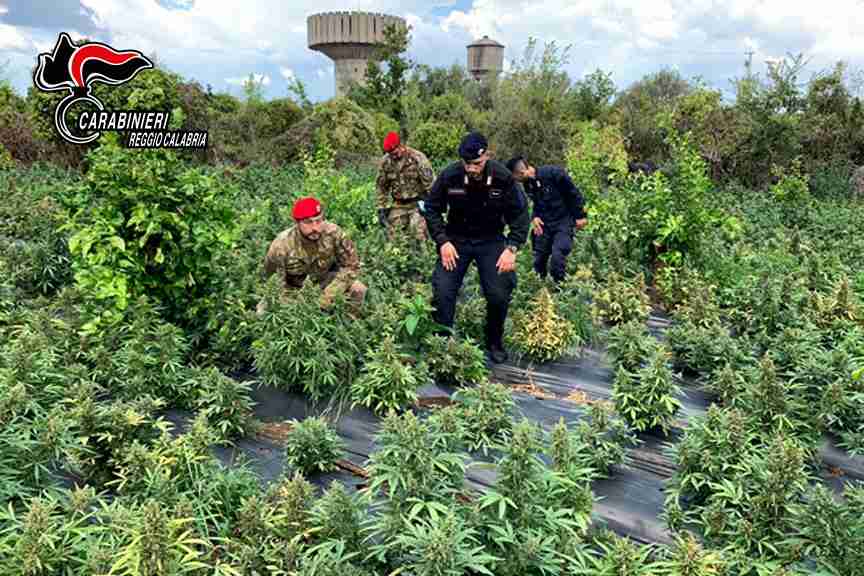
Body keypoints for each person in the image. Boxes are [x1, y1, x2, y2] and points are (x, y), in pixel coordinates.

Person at [424, 132, 530, 363]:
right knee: (443, 291)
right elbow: (431, 208)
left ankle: (494, 341)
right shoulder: (450, 175)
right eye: (467, 163)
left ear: (487, 156)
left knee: (499, 293)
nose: (471, 168)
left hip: (490, 240)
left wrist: (511, 247)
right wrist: (442, 241)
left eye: (477, 163)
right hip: (456, 240)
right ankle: (441, 344)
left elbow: (521, 214)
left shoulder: (502, 177)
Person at [257, 196, 367, 315]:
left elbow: (351, 266)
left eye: (319, 221)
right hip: (294, 289)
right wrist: (298, 304)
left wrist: (330, 294)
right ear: (297, 223)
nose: (315, 227)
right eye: (308, 222)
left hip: (324, 282)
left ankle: (346, 323)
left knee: (358, 289)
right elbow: (273, 282)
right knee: (263, 311)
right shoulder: (282, 245)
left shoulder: (334, 233)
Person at [505, 156, 587, 284]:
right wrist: (535, 217)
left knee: (557, 257)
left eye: (514, 177)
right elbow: (536, 203)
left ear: (520, 173)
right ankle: (541, 288)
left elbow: (573, 193)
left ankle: (561, 287)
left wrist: (580, 216)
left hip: (563, 222)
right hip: (545, 223)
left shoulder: (553, 173)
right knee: (538, 260)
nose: (515, 181)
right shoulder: (528, 184)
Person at [376, 131, 434, 242]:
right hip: (399, 204)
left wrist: (432, 207)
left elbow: (431, 185)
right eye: (390, 154)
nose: (393, 156)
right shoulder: (385, 162)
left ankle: (422, 252)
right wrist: (381, 208)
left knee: (417, 232)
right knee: (393, 235)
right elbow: (381, 187)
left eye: (395, 152)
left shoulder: (418, 158)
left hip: (418, 203)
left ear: (401, 145)